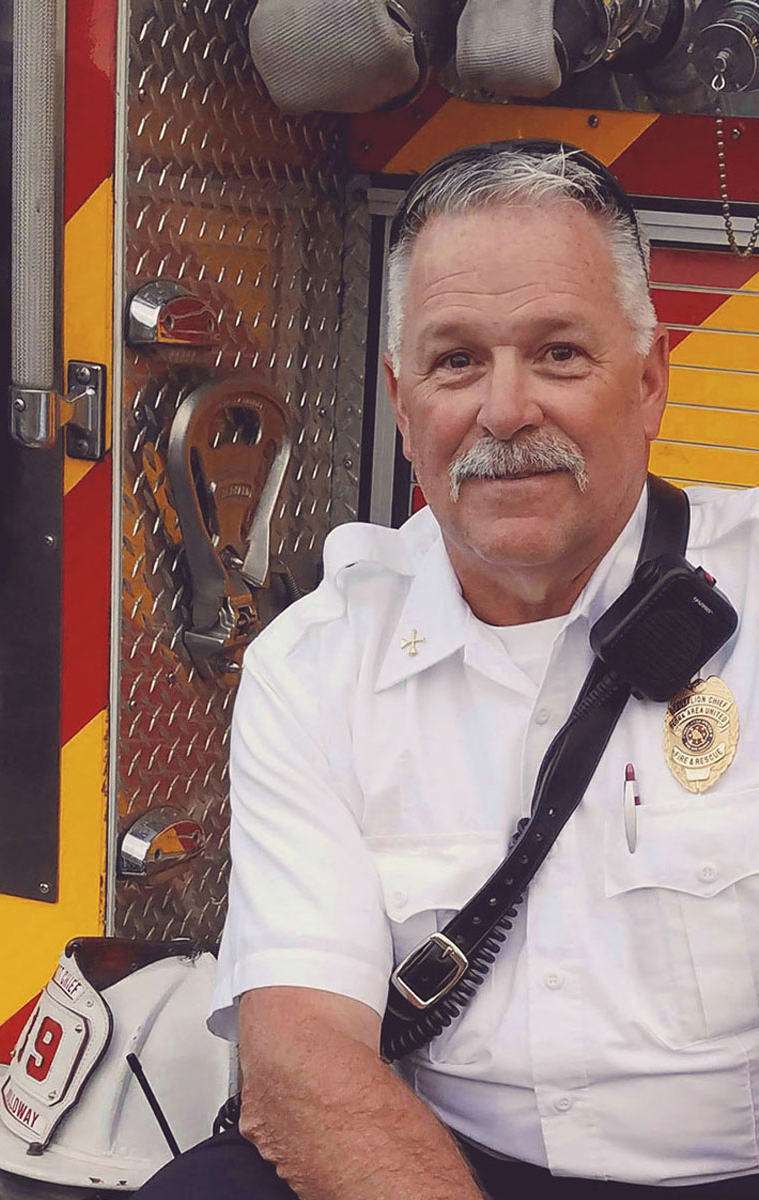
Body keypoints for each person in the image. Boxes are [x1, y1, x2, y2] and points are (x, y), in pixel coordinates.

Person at [137, 142, 759, 1198]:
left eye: (558, 354)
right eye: (455, 360)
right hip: (430, 1164)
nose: (504, 410)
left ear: (649, 379)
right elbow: (299, 1057)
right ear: (398, 397)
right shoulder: (319, 662)